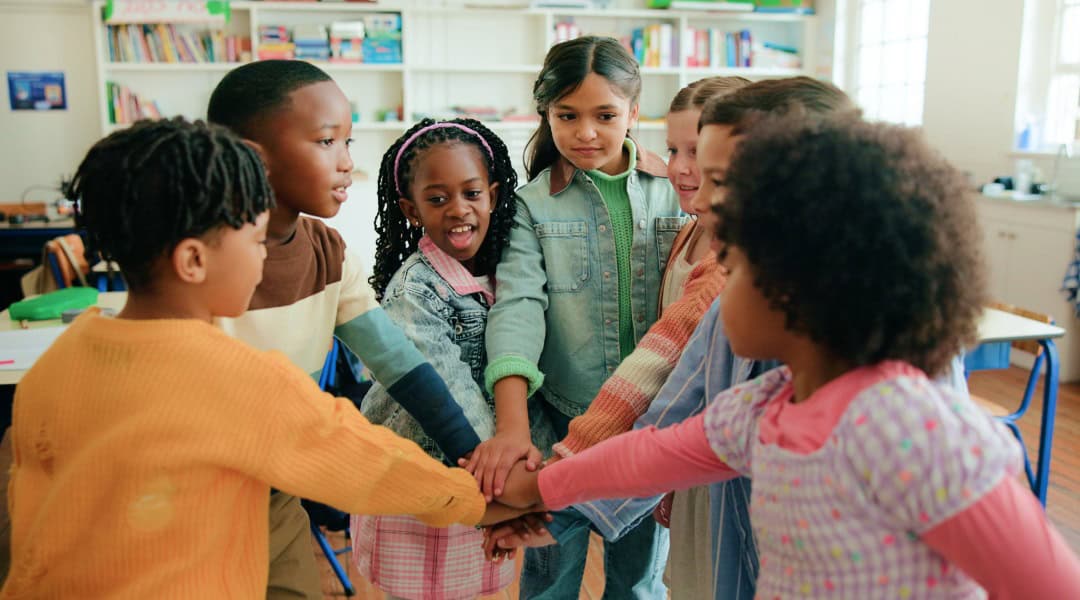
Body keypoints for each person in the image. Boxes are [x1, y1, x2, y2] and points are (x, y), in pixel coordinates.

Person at [495, 111, 1080, 598]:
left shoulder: (912, 428)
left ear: (798, 285)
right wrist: (538, 490)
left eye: (737, 265)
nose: (718, 280)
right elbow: (646, 457)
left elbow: (1048, 584)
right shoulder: (766, 408)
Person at [1, 119, 489, 598]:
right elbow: (368, 463)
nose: (262, 259)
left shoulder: (56, 361)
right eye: (255, 242)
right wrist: (477, 497)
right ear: (194, 261)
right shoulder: (239, 379)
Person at [206, 60, 481, 598]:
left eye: (348, 142)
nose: (347, 163)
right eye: (327, 141)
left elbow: (400, 364)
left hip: (273, 492)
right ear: (254, 157)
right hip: (195, 491)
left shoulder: (329, 254)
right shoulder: (202, 260)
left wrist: (472, 458)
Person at [466, 35, 683, 598]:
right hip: (561, 428)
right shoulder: (532, 207)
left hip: (647, 427)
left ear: (634, 112)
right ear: (547, 113)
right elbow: (518, 310)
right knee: (549, 583)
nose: (586, 132)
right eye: (568, 115)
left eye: (605, 115)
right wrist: (513, 428)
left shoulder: (676, 195)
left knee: (638, 583)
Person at [351, 118, 552, 599]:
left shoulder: (511, 273)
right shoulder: (414, 286)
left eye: (472, 193)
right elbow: (444, 387)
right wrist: (509, 480)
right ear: (411, 209)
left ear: (495, 194)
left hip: (484, 480)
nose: (458, 210)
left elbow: (522, 380)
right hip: (427, 475)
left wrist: (513, 465)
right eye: (437, 199)